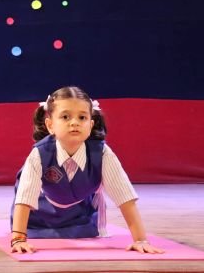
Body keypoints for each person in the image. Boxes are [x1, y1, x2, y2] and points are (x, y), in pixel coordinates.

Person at [10, 86, 163, 254]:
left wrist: (140, 240)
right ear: (50, 125)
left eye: (82, 117)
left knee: (85, 230)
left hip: (80, 218)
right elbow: (24, 199)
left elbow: (125, 199)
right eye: (65, 117)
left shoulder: (103, 153)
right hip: (38, 218)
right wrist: (18, 239)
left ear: (91, 125)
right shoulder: (39, 154)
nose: (74, 122)